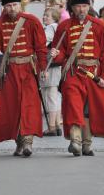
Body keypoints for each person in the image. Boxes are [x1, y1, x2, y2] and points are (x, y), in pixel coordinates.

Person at [50, 0, 104, 156]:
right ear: (72, 8)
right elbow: (61, 55)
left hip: (94, 74)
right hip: (73, 73)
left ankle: (87, 144)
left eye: (84, 6)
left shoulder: (99, 26)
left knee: (89, 110)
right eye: (78, 6)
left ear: (89, 6)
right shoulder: (64, 27)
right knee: (74, 105)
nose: (81, 9)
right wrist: (54, 54)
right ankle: (75, 141)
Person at [0, 0, 47, 157]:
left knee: (29, 105)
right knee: (12, 107)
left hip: (28, 69)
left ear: (20, 4)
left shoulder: (32, 21)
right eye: (9, 5)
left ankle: (27, 142)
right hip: (9, 70)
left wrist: (42, 68)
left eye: (14, 5)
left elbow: (41, 48)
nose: (12, 8)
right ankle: (19, 142)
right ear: (4, 7)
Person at [41, 8, 62, 136]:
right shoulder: (58, 28)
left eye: (47, 15)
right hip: (56, 65)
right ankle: (57, 125)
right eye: (44, 15)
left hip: (49, 65)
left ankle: (52, 126)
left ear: (54, 17)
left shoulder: (50, 28)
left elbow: (42, 43)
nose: (44, 17)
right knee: (55, 96)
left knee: (50, 96)